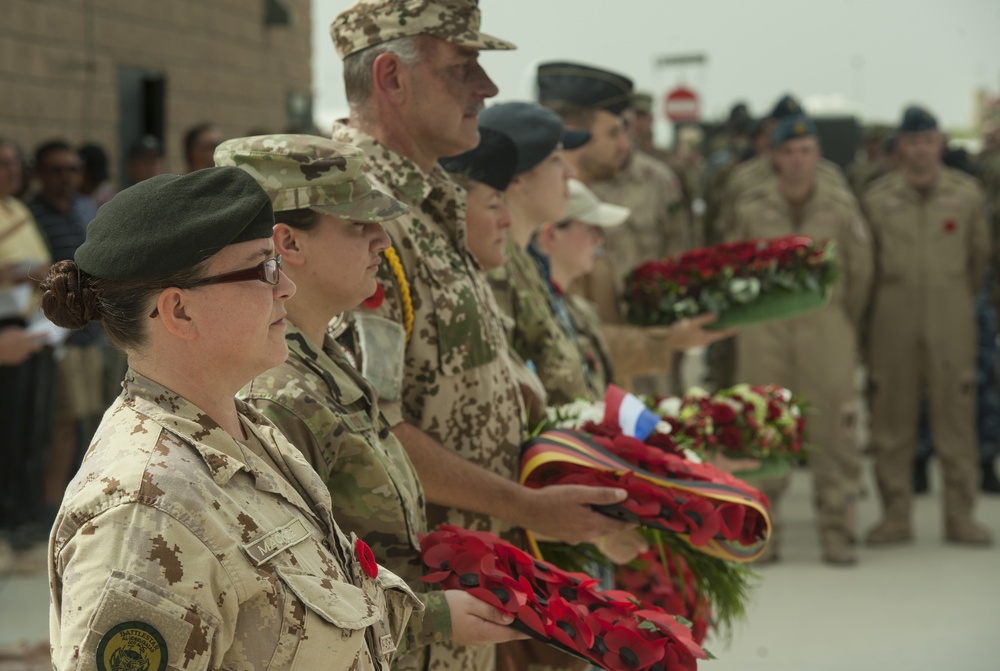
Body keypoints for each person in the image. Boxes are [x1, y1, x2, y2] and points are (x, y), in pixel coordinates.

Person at [329, 4, 632, 669]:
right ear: (392, 78)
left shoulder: (430, 201)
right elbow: (367, 431)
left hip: (471, 582)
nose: (487, 88)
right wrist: (530, 505)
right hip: (414, 602)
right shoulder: (355, 209)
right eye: (461, 68)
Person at [44, 166, 421, 670]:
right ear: (179, 312)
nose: (286, 286)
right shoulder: (143, 511)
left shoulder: (244, 434)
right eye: (263, 268)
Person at [218, 134, 525, 671]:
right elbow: (288, 597)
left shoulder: (325, 358)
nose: (382, 240)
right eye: (358, 225)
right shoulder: (275, 394)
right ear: (287, 243)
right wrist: (435, 616)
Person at [726, 115, 874, 565]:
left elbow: (861, 272)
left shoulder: (840, 207)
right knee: (762, 431)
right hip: (764, 332)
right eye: (788, 151)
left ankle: (838, 531)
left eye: (805, 150)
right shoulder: (751, 206)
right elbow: (732, 267)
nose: (796, 160)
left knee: (834, 433)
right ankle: (763, 533)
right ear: (773, 155)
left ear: (818, 154)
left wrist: (839, 321)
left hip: (825, 330)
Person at [537, 61, 728, 392]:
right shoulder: (543, 214)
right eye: (613, 132)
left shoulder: (646, 183)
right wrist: (668, 340)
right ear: (573, 131)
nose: (625, 144)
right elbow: (565, 333)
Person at [863, 105, 993, 546]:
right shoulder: (877, 199)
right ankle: (896, 515)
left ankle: (960, 517)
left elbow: (979, 262)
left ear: (940, 143)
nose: (921, 150)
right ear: (900, 147)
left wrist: (949, 296)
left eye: (928, 140)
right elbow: (868, 269)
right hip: (892, 326)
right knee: (891, 426)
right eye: (912, 142)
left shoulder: (968, 195)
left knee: (957, 424)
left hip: (950, 324)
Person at [0, 138, 51, 544]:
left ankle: (26, 510)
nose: (10, 171)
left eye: (15, 164)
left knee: (30, 426)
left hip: (30, 324)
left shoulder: (18, 209)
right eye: (2, 164)